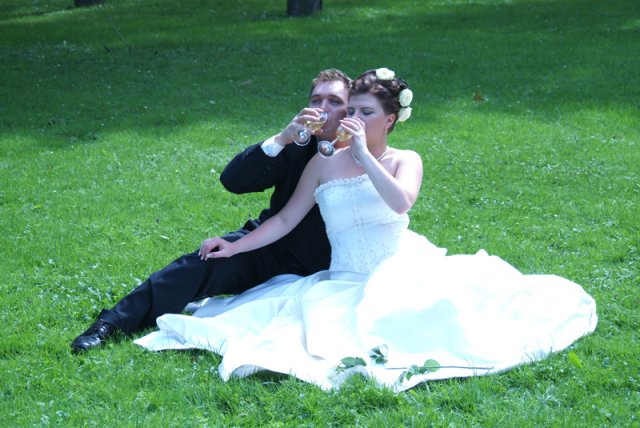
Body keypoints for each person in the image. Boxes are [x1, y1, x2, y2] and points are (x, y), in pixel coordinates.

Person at [135, 68, 597, 392]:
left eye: (366, 112)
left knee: (432, 322)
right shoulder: (323, 163)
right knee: (295, 333)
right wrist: (234, 248)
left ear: (390, 120)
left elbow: (401, 201)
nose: (354, 119)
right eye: (351, 110)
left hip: (399, 269)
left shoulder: (405, 160)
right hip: (342, 278)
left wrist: (363, 154)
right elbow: (285, 219)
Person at [70, 69, 353, 352]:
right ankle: (112, 323)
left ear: (350, 109)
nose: (323, 108)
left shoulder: (364, 155)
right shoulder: (294, 145)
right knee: (201, 262)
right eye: (316, 100)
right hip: (270, 245)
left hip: (333, 264)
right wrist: (280, 139)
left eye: (334, 101)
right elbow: (234, 181)